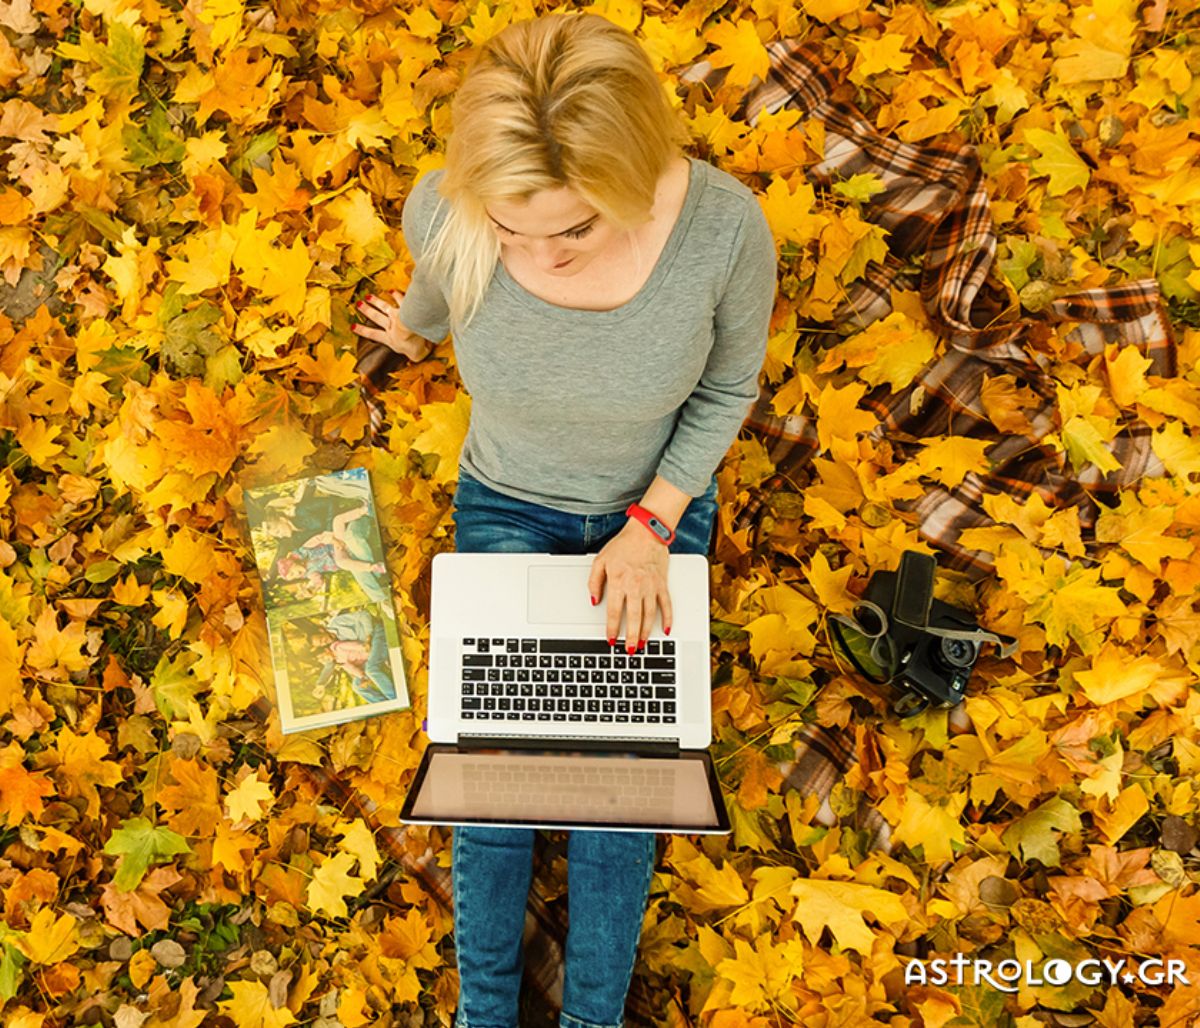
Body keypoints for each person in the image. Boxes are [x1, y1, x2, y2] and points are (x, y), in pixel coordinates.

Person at [352, 12, 776, 1028]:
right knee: (490, 761)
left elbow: (728, 391)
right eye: (511, 230)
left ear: (631, 174)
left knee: (618, 776)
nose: (541, 257)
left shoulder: (724, 233)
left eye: (575, 227)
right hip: (505, 496)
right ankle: (484, 1009)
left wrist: (653, 522)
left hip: (650, 507)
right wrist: (413, 335)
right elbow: (438, 279)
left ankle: (592, 1014)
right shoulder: (448, 213)